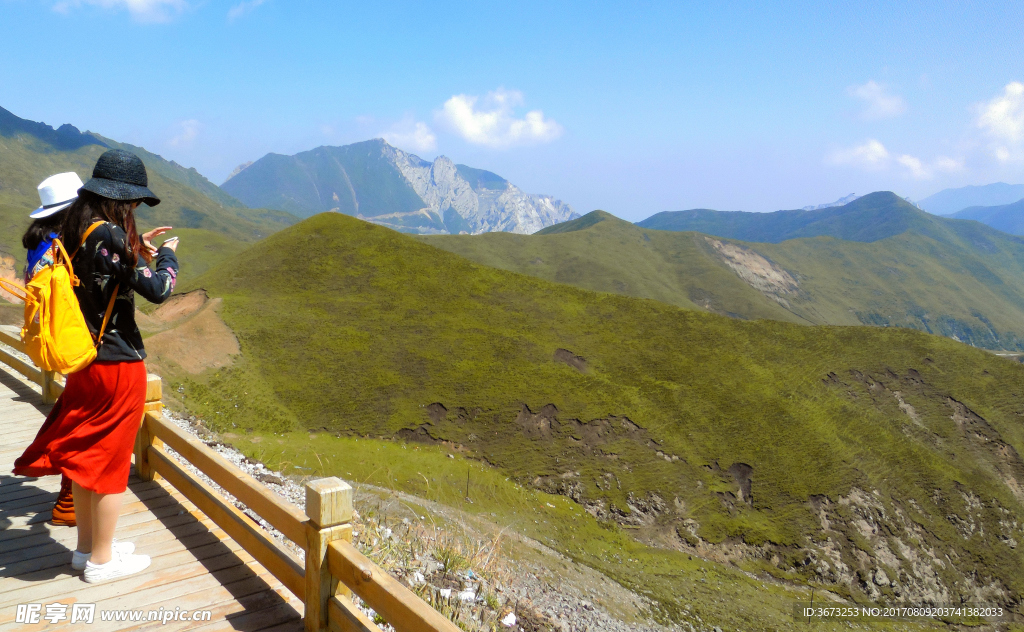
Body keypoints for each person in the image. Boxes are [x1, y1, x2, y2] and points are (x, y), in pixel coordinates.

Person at [13, 149, 180, 583]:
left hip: (84, 360)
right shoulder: (108, 234)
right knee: (109, 463)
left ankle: (87, 550)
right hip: (117, 362)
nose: (136, 209)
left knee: (88, 458)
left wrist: (133, 250)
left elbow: (107, 274)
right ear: (121, 198)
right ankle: (102, 562)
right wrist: (166, 257)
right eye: (135, 203)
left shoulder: (72, 228)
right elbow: (159, 290)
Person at [21, 172, 85, 526]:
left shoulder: (38, 243)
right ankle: (68, 502)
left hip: (55, 341)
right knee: (82, 422)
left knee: (74, 413)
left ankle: (69, 498)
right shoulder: (65, 246)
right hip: (76, 342)